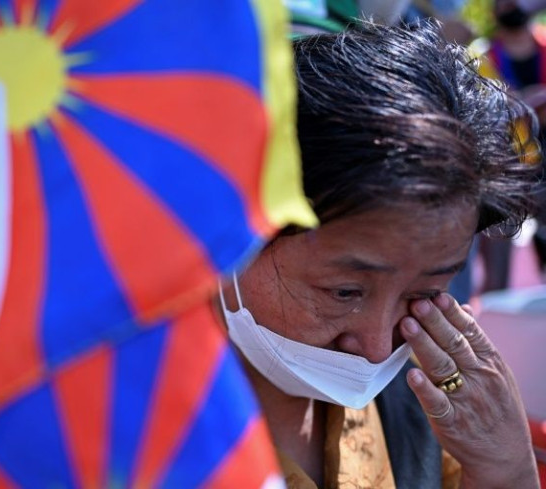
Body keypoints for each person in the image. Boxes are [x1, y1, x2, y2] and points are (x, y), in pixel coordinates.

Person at [217, 20, 541, 488]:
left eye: (426, 291)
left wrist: (505, 471)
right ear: (230, 239)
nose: (373, 350)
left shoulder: (433, 418)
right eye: (344, 291)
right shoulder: (118, 427)